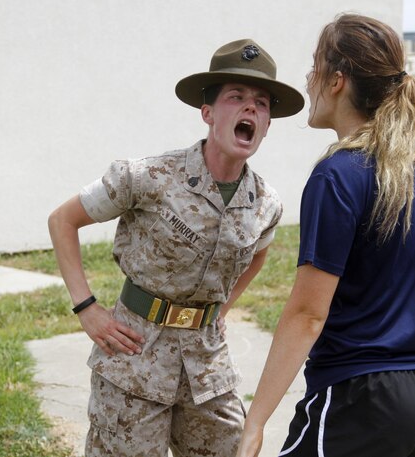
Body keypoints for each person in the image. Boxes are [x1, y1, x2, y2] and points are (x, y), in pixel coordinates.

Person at [48, 38, 304, 457]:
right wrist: (86, 308)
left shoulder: (266, 203)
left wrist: (224, 305)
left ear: (268, 123)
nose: (251, 109)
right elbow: (63, 220)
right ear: (207, 113)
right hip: (134, 357)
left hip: (207, 367)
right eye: (236, 97)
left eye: (261, 103)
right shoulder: (147, 176)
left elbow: (259, 253)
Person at [236, 14, 415, 457]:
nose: (308, 80)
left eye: (314, 67)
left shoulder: (337, 175)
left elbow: (307, 314)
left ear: (337, 80)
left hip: (361, 398)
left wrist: (256, 421)